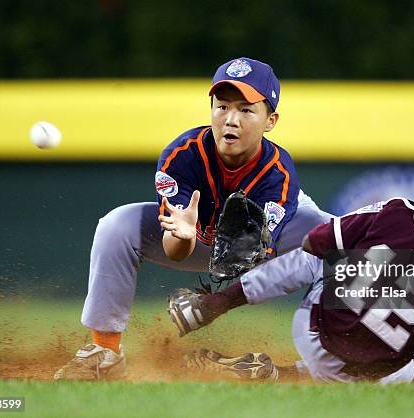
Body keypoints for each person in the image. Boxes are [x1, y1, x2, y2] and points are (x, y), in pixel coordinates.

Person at [54, 57, 332, 380]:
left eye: (246, 110)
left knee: (345, 239)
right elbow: (175, 250)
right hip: (197, 239)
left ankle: (362, 352)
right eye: (223, 106)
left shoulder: (278, 174)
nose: (231, 119)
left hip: (263, 247)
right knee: (116, 226)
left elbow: (252, 259)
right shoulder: (182, 156)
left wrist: (215, 302)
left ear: (270, 120)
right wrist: (182, 236)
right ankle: (104, 351)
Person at [169, 159, 414, 384]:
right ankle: (286, 373)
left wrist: (368, 272)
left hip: (313, 329)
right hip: (368, 372)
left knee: (320, 256)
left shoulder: (400, 210)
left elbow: (314, 242)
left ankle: (213, 305)